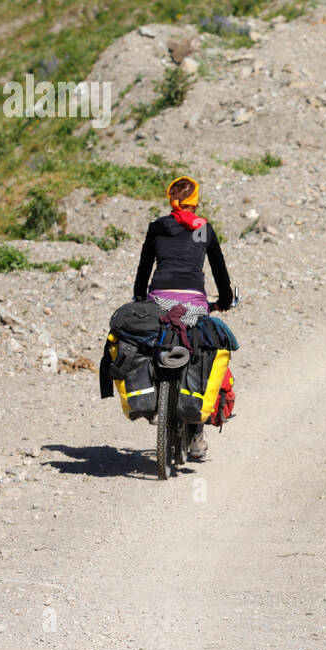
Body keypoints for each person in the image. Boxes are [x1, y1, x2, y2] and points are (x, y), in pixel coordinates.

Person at [133, 176, 233, 461]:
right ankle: (197, 432)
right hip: (193, 301)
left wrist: (140, 297)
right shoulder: (203, 230)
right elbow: (219, 271)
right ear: (196, 201)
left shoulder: (158, 228)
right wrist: (224, 301)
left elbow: (144, 266)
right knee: (202, 351)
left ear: (170, 200)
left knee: (154, 342)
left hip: (160, 298)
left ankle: (153, 394)